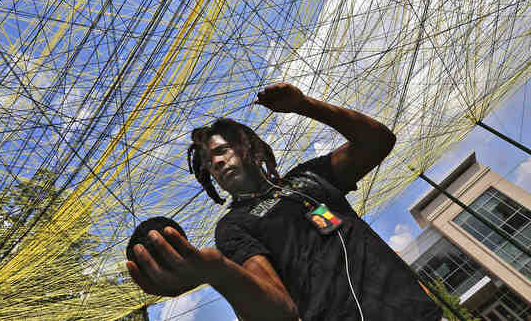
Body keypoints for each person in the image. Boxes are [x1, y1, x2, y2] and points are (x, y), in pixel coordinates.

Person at [126, 83, 442, 321]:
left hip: (416, 311)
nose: (217, 164)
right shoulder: (233, 225)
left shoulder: (311, 177)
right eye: (209, 163)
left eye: (221, 152)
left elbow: (378, 140)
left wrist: (306, 105)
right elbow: (280, 309)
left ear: (249, 148)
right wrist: (218, 271)